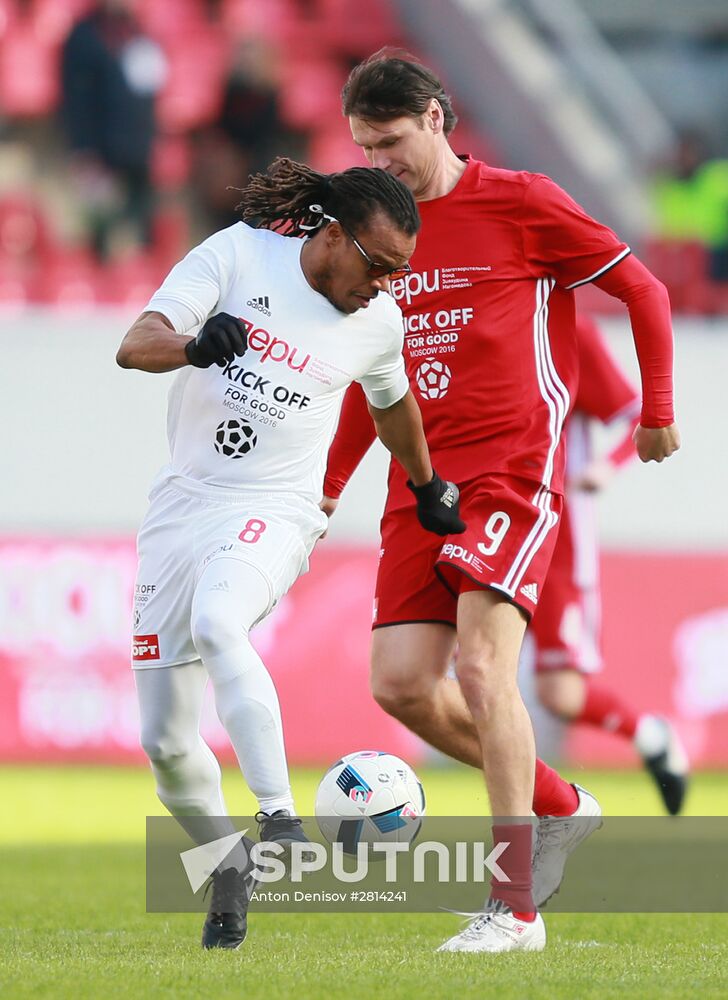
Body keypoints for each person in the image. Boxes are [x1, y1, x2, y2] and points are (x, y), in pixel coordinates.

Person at [324, 49, 680, 954]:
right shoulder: (378, 229)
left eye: (391, 142)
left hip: (511, 470)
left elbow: (643, 287)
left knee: (486, 672)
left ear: (436, 119)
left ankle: (514, 910)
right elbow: (376, 378)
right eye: (364, 146)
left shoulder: (521, 202)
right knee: (401, 685)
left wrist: (655, 413)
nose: (379, 162)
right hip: (423, 481)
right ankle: (559, 805)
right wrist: (324, 491)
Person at [116, 156, 465, 951]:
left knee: (219, 621)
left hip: (276, 509)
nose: (384, 286)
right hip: (182, 508)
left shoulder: (378, 322)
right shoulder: (236, 255)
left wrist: (428, 483)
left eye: (398, 273)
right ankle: (225, 864)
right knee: (166, 745)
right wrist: (198, 345)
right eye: (377, 267)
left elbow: (394, 402)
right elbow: (136, 346)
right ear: (332, 236)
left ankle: (278, 818)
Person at [529, 315, 689, 813]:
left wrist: (607, 465)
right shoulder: (483, 312)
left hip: (558, 541)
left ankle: (649, 734)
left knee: (561, 695)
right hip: (485, 522)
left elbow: (636, 412)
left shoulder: (571, 329)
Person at [59, 0, 167, 260]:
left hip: (137, 153)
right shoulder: (84, 35)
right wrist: (84, 149)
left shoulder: (138, 32)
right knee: (100, 234)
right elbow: (76, 99)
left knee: (140, 237)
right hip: (99, 152)